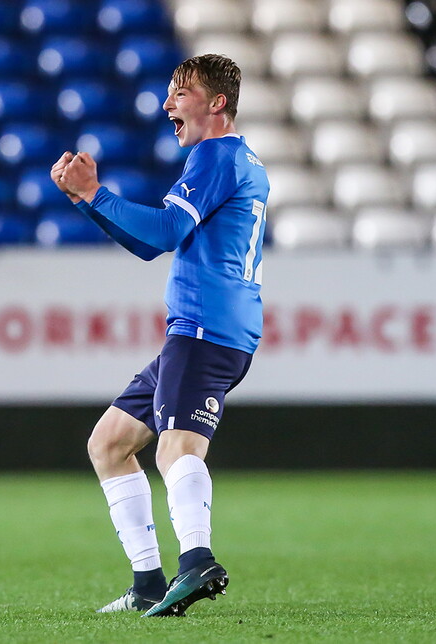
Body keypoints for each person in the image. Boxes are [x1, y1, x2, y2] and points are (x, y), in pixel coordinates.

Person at [49, 54, 269, 617]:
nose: (166, 104)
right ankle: (148, 580)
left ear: (216, 103)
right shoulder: (231, 159)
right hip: (205, 329)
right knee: (109, 443)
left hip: (206, 327)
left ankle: (196, 561)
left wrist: (97, 193)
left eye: (180, 92)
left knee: (176, 447)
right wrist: (87, 200)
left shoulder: (216, 155)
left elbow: (168, 230)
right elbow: (149, 244)